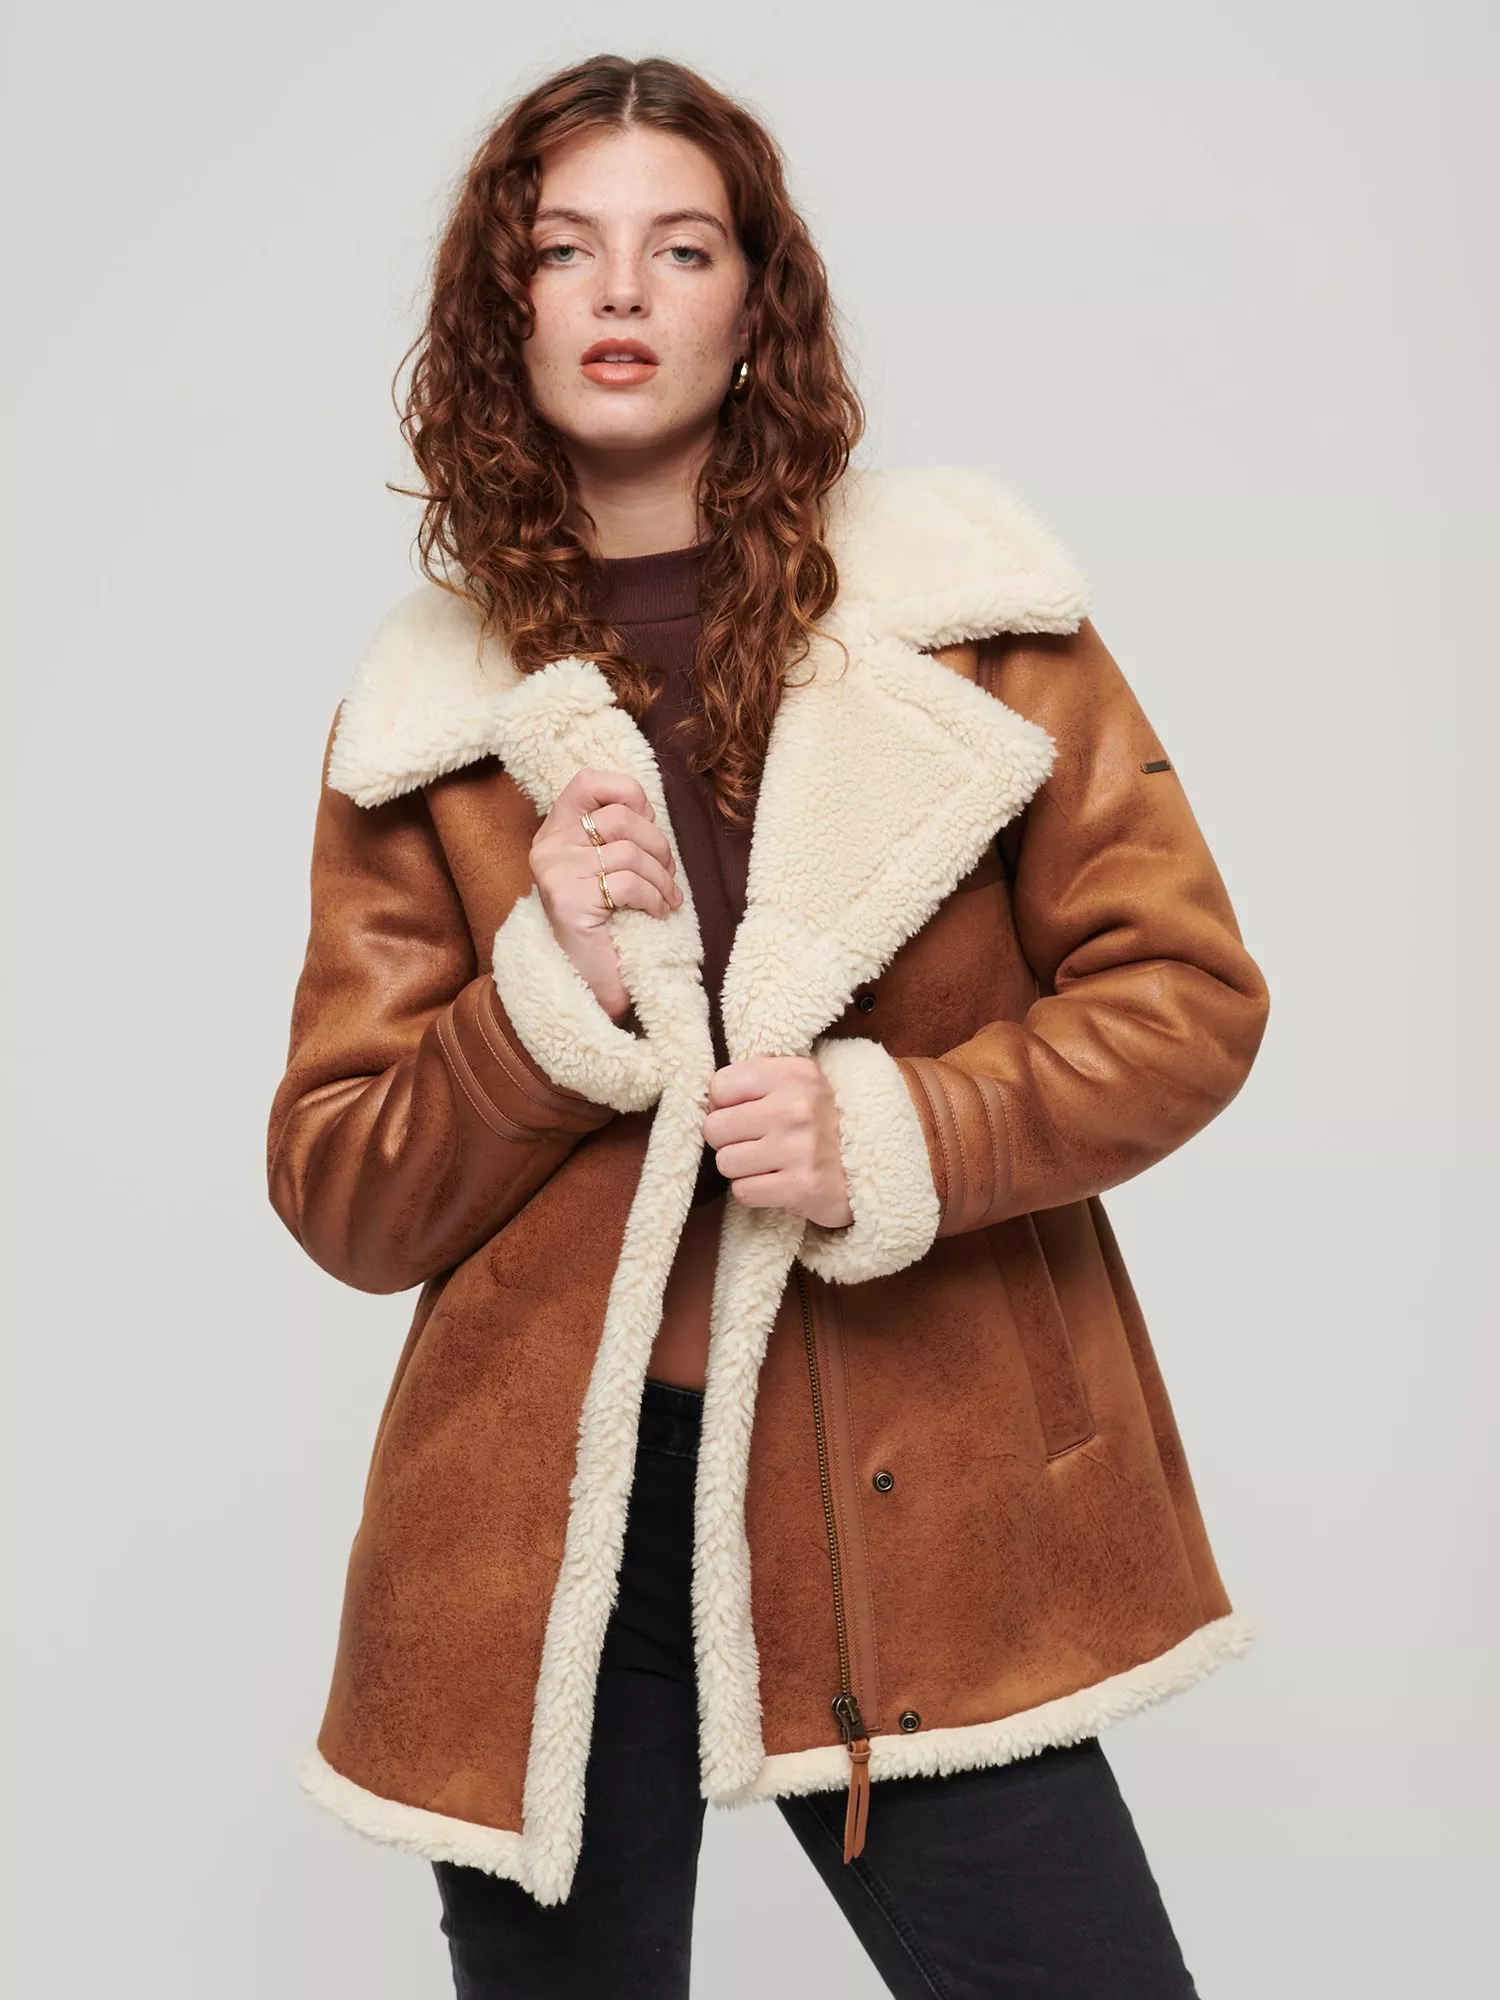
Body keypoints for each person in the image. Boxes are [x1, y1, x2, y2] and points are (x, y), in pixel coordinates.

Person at [266, 52, 1271, 2000]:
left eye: (681, 247)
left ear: (757, 304)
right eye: (566, 249)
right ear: (505, 309)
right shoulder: (422, 717)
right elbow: (345, 1190)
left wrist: (900, 1132)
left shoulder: (973, 618)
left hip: (907, 1470)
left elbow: (1185, 996)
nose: (621, 292)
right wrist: (536, 999)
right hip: (542, 1522)